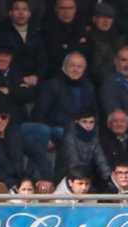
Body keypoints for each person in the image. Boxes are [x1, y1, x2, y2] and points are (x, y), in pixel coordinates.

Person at [27, 51, 96, 183]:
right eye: (72, 65)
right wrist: (45, 138)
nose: (76, 69)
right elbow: (39, 113)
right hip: (55, 132)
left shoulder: (89, 87)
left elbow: (94, 114)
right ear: (64, 67)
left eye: (79, 66)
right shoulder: (51, 85)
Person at [0, 0, 45, 81]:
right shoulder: (1, 32)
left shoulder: (37, 33)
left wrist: (37, 76)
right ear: (10, 13)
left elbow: (43, 60)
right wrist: (20, 79)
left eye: (24, 9)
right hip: (9, 79)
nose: (21, 13)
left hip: (34, 80)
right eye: (17, 9)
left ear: (29, 13)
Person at [42, 0, 90, 72]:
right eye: (62, 8)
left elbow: (87, 54)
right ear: (56, 9)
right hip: (56, 74)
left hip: (81, 73)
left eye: (70, 8)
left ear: (75, 9)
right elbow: (55, 56)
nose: (67, 12)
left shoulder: (82, 28)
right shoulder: (47, 30)